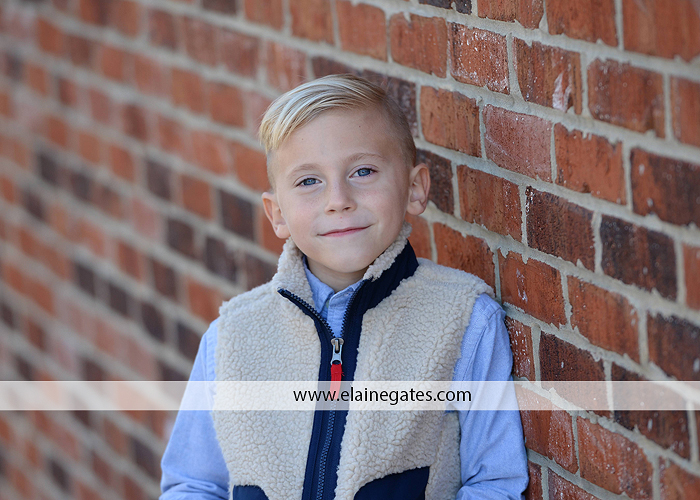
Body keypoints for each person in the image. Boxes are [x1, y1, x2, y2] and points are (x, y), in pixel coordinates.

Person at [159, 74, 528, 499]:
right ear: (277, 214)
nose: (338, 199)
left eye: (363, 171)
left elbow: (495, 484)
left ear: (414, 188)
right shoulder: (231, 337)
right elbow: (193, 484)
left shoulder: (462, 319)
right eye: (308, 181)